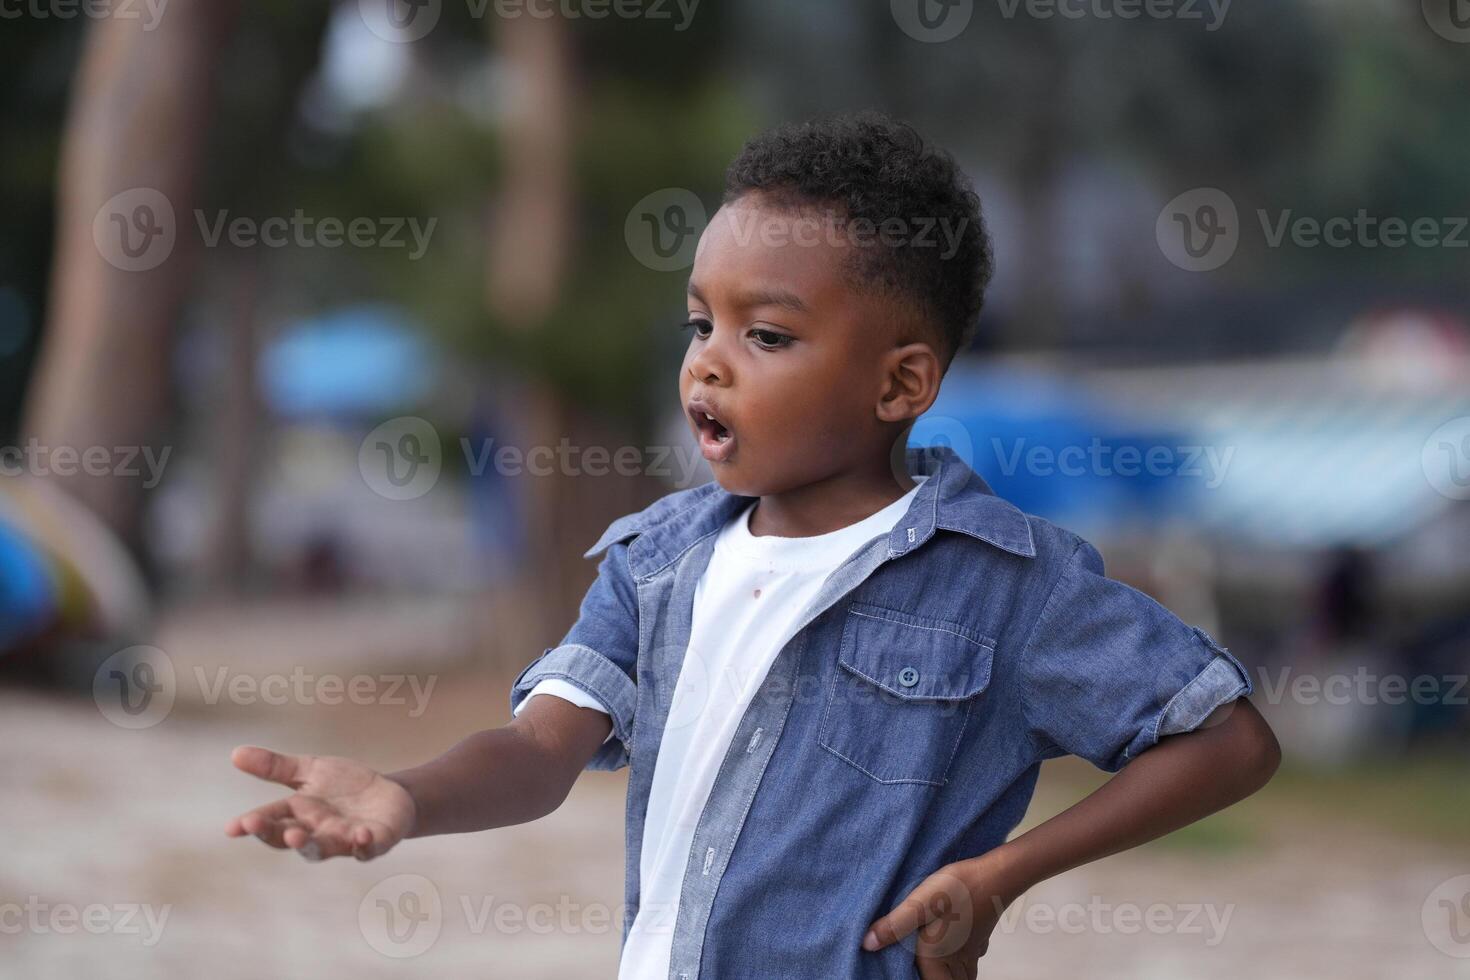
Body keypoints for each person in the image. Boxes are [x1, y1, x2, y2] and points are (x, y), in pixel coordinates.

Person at [226, 111, 1281, 979]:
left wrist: (1001, 873)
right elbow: (539, 752)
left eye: (766, 335)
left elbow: (1227, 738)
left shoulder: (1007, 585)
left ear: (901, 382)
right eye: (700, 325)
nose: (710, 366)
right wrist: (406, 795)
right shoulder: (657, 560)